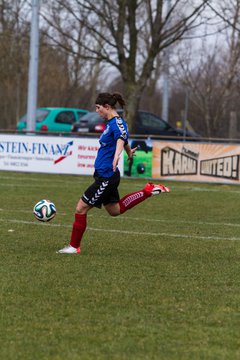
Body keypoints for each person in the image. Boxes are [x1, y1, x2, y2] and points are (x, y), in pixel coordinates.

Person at [57, 92, 170, 254]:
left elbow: (121, 138)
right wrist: (129, 152)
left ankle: (74, 247)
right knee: (114, 210)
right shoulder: (112, 122)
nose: (96, 111)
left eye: (98, 108)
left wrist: (118, 155)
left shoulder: (117, 123)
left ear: (107, 107)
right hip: (104, 175)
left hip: (107, 177)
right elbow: (122, 138)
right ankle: (147, 191)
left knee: (80, 208)